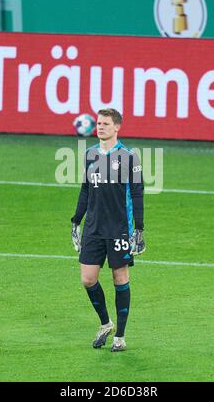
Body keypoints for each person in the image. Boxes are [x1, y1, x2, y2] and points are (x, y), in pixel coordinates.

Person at [71, 108, 145, 352]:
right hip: (93, 227)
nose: (100, 127)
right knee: (87, 278)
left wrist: (139, 229)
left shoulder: (128, 157)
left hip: (119, 229)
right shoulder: (90, 154)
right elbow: (85, 189)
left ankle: (120, 337)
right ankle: (105, 323)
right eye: (98, 123)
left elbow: (136, 193)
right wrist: (76, 221)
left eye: (105, 123)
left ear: (117, 127)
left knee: (119, 278)